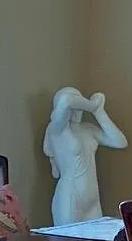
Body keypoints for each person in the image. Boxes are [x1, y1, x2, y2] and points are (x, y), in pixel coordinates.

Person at [43, 87, 127, 225]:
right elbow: (66, 100)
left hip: (92, 198)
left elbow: (120, 142)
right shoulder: (56, 129)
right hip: (70, 197)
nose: (78, 109)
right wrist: (92, 105)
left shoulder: (88, 129)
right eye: (78, 103)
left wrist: (99, 112)